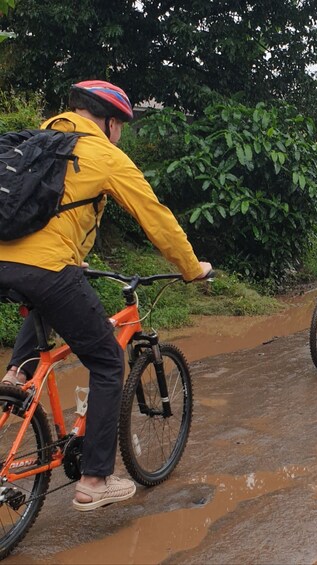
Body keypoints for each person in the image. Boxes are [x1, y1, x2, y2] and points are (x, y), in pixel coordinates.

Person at [0, 80, 212, 511]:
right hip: (47, 267)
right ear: (111, 123)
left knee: (45, 301)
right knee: (109, 361)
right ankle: (95, 480)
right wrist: (191, 268)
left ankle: (14, 382)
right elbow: (156, 217)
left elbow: (41, 211)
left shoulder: (36, 142)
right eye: (121, 126)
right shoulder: (104, 155)